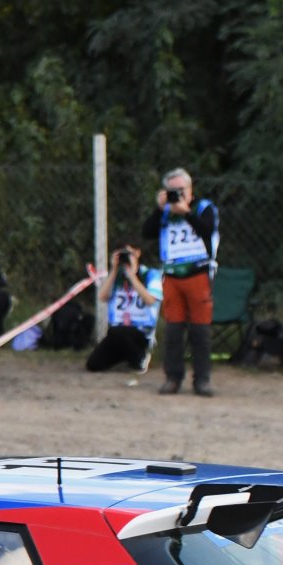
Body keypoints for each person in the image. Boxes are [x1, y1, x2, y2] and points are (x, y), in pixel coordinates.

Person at [141, 168, 220, 396]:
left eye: (181, 190)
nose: (177, 195)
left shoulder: (204, 208)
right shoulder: (165, 213)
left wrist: (186, 212)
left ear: (190, 189)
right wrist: (159, 208)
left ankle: (202, 379)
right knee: (173, 329)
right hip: (172, 275)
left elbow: (207, 230)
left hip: (198, 273)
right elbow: (147, 232)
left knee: (200, 329)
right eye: (172, 191)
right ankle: (173, 377)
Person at [85, 244, 163, 373]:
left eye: (129, 253)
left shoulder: (150, 274)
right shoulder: (117, 277)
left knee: (119, 332)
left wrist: (132, 276)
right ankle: (125, 357)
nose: (126, 258)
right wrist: (114, 270)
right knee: (93, 364)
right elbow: (102, 296)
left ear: (138, 253)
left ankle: (141, 358)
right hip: (117, 332)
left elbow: (150, 300)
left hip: (140, 331)